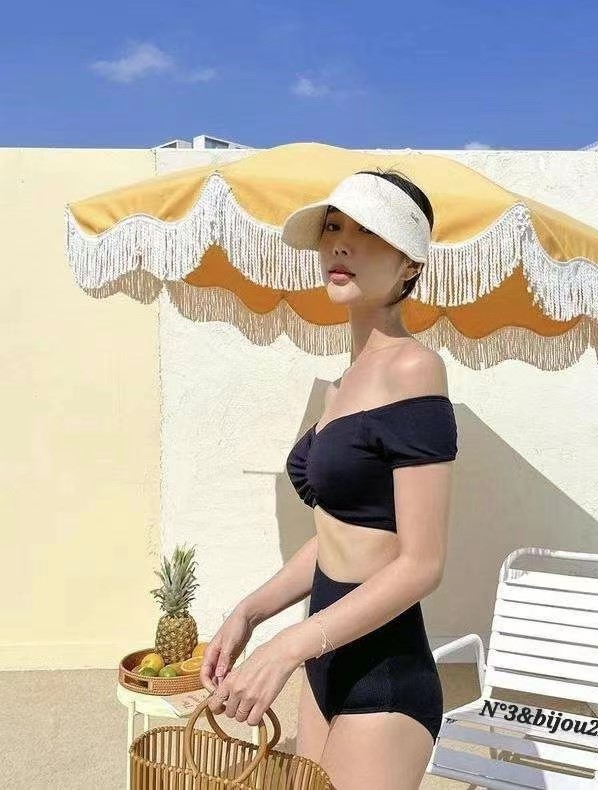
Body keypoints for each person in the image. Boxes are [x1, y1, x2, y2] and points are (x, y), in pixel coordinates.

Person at [200, 168, 458, 790]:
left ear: (410, 265)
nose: (340, 243)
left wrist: (290, 646)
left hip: (384, 669)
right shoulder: (339, 387)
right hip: (324, 659)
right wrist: (251, 612)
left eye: (367, 231)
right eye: (334, 227)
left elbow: (421, 564)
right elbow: (338, 537)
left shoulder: (414, 369)